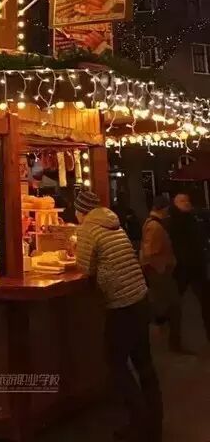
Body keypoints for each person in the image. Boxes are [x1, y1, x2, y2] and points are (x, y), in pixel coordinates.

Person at [75, 189, 162, 442]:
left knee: (115, 363)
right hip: (139, 297)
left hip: (121, 304)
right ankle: (154, 424)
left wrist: (75, 247)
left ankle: (138, 424)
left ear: (81, 211)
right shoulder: (114, 223)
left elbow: (84, 268)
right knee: (144, 364)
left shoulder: (88, 229)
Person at [140, 195, 185, 353]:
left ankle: (167, 336)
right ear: (163, 208)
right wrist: (161, 267)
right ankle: (173, 343)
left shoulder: (153, 224)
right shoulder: (155, 226)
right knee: (173, 306)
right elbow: (149, 252)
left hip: (160, 272)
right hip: (160, 273)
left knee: (166, 306)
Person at [169, 193, 210, 344]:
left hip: (197, 265)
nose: (186, 203)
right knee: (175, 302)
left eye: (187, 200)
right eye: (181, 201)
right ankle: (174, 337)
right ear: (175, 204)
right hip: (182, 267)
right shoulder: (173, 221)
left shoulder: (195, 217)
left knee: (206, 301)